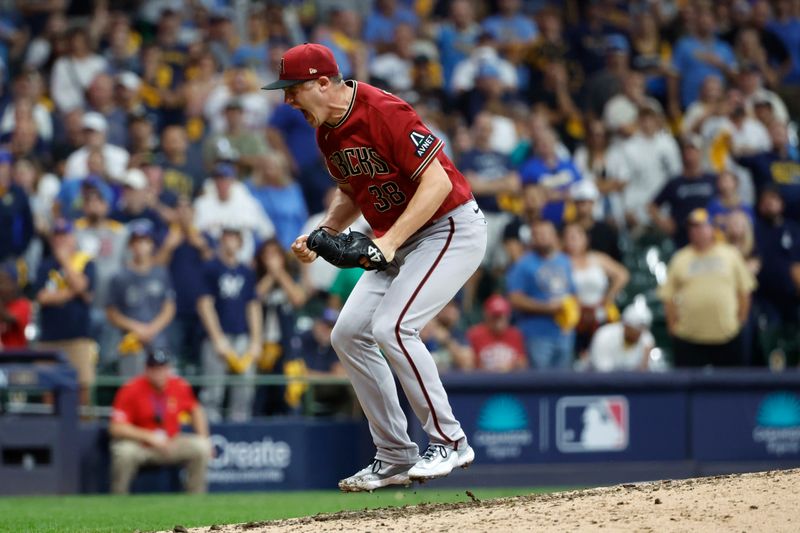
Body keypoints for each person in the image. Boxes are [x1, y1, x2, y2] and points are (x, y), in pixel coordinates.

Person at [263, 43, 486, 491]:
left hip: (448, 228)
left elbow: (438, 180)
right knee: (347, 335)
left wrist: (388, 241)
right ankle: (395, 456)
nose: (288, 101)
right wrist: (323, 230)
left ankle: (450, 440)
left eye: (293, 89)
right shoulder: (327, 131)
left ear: (323, 83)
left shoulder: (383, 109)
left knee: (393, 328)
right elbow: (352, 190)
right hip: (398, 239)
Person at [659, 208, 756, 367]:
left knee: (729, 386)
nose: (696, 231)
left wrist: (741, 322)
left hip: (727, 336)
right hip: (688, 338)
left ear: (712, 229)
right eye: (692, 227)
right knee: (687, 388)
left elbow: (745, 291)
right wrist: (673, 327)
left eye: (701, 226)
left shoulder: (730, 254)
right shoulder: (680, 258)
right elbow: (668, 296)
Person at [109, 349, 211, 494]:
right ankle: (118, 499)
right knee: (124, 452)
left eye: (162, 368)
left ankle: (196, 500)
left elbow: (196, 409)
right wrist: (148, 436)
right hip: (141, 445)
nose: (159, 373)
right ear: (146, 369)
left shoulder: (178, 385)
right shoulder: (130, 389)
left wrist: (204, 436)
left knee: (201, 447)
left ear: (168, 369)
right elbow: (116, 428)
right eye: (154, 369)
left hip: (171, 441)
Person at [196, 227, 262, 422]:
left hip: (242, 335)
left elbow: (253, 305)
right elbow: (204, 304)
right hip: (216, 337)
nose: (230, 242)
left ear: (240, 242)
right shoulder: (210, 267)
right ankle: (212, 433)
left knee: (244, 390)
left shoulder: (247, 271)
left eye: (234, 238)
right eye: (226, 238)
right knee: (213, 390)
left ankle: (241, 432)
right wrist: (217, 338)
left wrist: (256, 341)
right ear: (220, 241)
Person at [34, 219, 97, 406]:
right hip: (49, 338)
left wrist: (65, 261)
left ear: (73, 238)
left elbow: (82, 285)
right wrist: (73, 293)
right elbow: (42, 297)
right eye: (57, 236)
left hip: (78, 337)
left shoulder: (85, 262)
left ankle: (82, 432)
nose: (60, 240)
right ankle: (48, 432)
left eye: (64, 235)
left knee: (83, 387)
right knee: (48, 389)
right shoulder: (44, 265)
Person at [106, 220, 176, 377]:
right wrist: (136, 328)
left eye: (145, 241)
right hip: (131, 341)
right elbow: (111, 312)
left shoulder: (161, 273)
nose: (140, 246)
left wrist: (152, 328)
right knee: (132, 387)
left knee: (162, 387)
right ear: (130, 246)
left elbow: (169, 306)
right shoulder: (120, 277)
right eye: (136, 242)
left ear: (152, 245)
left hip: (158, 340)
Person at [507, 218, 578, 369]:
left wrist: (570, 310)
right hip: (536, 334)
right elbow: (515, 299)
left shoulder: (564, 261)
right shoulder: (523, 264)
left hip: (564, 333)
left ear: (555, 236)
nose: (542, 237)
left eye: (546, 233)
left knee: (564, 385)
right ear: (532, 238)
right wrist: (546, 307)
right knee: (540, 386)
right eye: (537, 234)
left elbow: (572, 293)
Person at [562, 222, 629, 356]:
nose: (572, 241)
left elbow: (622, 275)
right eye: (568, 237)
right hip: (572, 317)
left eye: (576, 237)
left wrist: (609, 296)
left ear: (586, 239)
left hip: (600, 313)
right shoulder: (560, 261)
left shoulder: (598, 258)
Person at [587, 296, 655, 372]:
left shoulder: (646, 340)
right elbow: (603, 373)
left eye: (642, 329)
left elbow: (644, 373)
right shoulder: (604, 335)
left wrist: (645, 361)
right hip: (596, 381)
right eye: (636, 329)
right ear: (626, 326)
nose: (639, 333)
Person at [465, 294, 527, 372]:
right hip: (482, 380)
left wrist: (511, 366)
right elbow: (468, 364)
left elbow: (523, 362)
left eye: (501, 316)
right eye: (494, 316)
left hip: (510, 380)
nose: (498, 320)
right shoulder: (475, 334)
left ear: (507, 316)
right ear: (487, 316)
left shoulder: (515, 334)